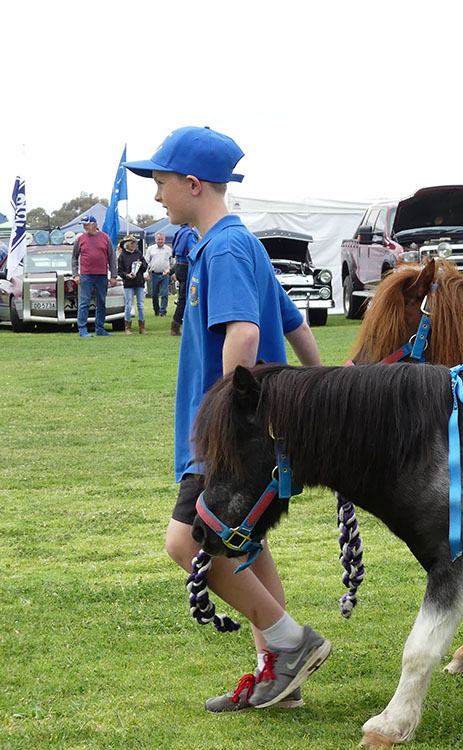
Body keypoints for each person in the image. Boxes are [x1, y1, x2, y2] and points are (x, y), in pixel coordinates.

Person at [124, 126, 329, 712]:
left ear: (192, 184)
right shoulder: (232, 245)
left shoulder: (228, 247)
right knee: (247, 546)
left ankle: (291, 643)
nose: (157, 196)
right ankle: (276, 678)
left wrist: (228, 417)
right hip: (242, 427)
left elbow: (245, 330)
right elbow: (294, 325)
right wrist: (315, 386)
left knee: (188, 542)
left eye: (162, 183)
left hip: (229, 433)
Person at [72, 214, 118, 337]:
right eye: (83, 224)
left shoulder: (105, 238)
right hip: (86, 275)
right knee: (84, 302)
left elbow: (112, 258)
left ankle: (100, 328)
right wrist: (75, 274)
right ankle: (82, 329)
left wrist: (114, 275)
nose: (85, 227)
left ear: (94, 224)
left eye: (87, 224)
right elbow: (74, 258)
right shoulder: (80, 239)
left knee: (101, 302)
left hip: (102, 274)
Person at [170, 221, 200, 335]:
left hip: (179, 267)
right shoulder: (190, 234)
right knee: (189, 298)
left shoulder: (180, 232)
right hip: (187, 267)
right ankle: (177, 326)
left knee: (183, 298)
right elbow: (192, 252)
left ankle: (177, 325)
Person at [118, 235, 148, 334]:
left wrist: (141, 265)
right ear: (127, 245)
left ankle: (142, 327)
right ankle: (128, 327)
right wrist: (127, 275)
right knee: (128, 305)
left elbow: (144, 266)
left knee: (140, 305)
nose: (134, 245)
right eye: (132, 243)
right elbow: (120, 271)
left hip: (139, 282)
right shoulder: (122, 256)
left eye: (134, 243)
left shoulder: (138, 253)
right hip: (128, 283)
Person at [146, 232, 172, 316]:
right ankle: (156, 310)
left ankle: (163, 311)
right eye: (158, 239)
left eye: (161, 239)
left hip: (165, 274)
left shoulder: (168, 249)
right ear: (155, 240)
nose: (160, 241)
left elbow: (172, 262)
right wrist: (146, 273)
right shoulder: (150, 249)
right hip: (154, 274)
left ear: (164, 240)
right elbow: (146, 262)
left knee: (164, 293)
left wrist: (172, 274)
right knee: (154, 294)